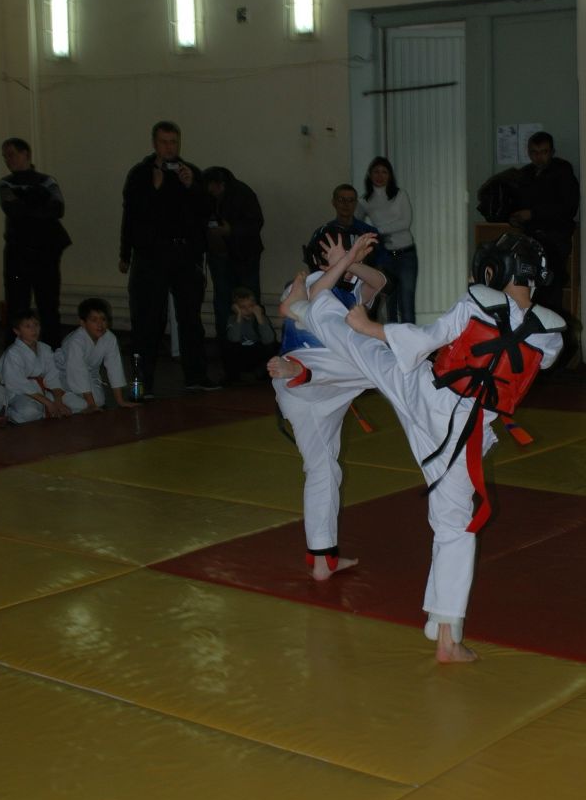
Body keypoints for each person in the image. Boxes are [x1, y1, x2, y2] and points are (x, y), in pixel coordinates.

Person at [280, 231, 564, 660]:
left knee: (361, 349)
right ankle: (448, 635)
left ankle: (304, 309)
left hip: (427, 396)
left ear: (494, 269)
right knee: (455, 529)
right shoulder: (552, 336)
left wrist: (369, 326)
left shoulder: (476, 303)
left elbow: (426, 338)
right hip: (467, 436)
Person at [269, 226, 387, 580]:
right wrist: (344, 260)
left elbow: (380, 281)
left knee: (324, 470)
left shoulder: (353, 288)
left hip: (330, 392)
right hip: (303, 374)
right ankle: (302, 371)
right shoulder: (306, 282)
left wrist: (350, 262)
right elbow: (293, 307)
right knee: (377, 358)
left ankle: (322, 559)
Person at [120, 121, 218, 397]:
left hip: (185, 254)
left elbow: (207, 210)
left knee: (190, 318)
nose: (169, 147)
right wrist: (124, 253)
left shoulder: (190, 172)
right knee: (147, 320)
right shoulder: (140, 174)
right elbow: (132, 214)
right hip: (151, 256)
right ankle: (142, 385)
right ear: (154, 144)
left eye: (173, 142)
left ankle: (196, 376)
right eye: (164, 142)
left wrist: (191, 186)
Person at [0, 138, 71, 348]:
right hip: (18, 250)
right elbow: (13, 209)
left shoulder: (47, 181)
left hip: (45, 250)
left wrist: (25, 201)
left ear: (25, 154)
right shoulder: (5, 183)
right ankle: (14, 351)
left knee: (48, 302)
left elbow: (57, 209)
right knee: (16, 303)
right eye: (5, 156)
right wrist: (39, 201)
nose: (8, 159)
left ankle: (52, 349)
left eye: (11, 154)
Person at [203, 166, 264, 375]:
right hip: (228, 255)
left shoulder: (242, 194)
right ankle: (233, 355)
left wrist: (230, 231)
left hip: (241, 256)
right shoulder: (239, 192)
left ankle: (247, 356)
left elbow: (255, 223)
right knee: (234, 305)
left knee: (240, 304)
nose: (212, 191)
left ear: (221, 184)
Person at [510, 131, 580, 315]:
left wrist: (533, 214)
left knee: (551, 288)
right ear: (529, 153)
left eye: (544, 152)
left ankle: (552, 328)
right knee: (532, 289)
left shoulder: (562, 172)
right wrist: (516, 217)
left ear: (552, 152)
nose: (539, 157)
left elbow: (568, 207)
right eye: (534, 152)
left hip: (555, 239)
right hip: (531, 238)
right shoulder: (526, 174)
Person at [359, 157, 417, 323]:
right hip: (384, 257)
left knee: (406, 304)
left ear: (390, 175)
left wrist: (378, 231)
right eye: (376, 172)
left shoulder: (400, 194)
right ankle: (391, 338)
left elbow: (405, 222)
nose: (380, 176)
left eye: (384, 172)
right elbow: (357, 224)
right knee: (389, 303)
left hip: (406, 254)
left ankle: (411, 339)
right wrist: (371, 237)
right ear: (370, 174)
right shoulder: (364, 201)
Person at [0, 310, 81, 424]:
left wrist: (58, 401)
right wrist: (49, 403)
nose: (34, 329)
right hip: (21, 394)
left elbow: (53, 377)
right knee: (30, 412)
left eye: (36, 325)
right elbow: (18, 384)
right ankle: (9, 413)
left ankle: (46, 410)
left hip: (44, 390)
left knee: (79, 404)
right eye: (28, 326)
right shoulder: (13, 353)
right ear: (17, 331)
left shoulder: (45, 349)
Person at [55, 298, 137, 412]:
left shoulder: (109, 338)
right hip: (62, 375)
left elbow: (114, 368)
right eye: (94, 320)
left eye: (103, 319)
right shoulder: (76, 342)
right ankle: (55, 397)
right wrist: (91, 405)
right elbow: (78, 372)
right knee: (84, 404)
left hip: (90, 375)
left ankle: (71, 402)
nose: (100, 324)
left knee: (99, 401)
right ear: (83, 323)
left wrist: (120, 401)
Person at [225, 287, 277, 382]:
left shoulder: (261, 318)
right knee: (229, 348)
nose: (247, 309)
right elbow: (234, 338)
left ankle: (256, 374)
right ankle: (238, 376)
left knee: (272, 348)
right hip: (241, 353)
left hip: (257, 352)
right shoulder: (232, 319)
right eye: (242, 307)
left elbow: (269, 340)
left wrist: (259, 318)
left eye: (251, 306)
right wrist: (239, 316)